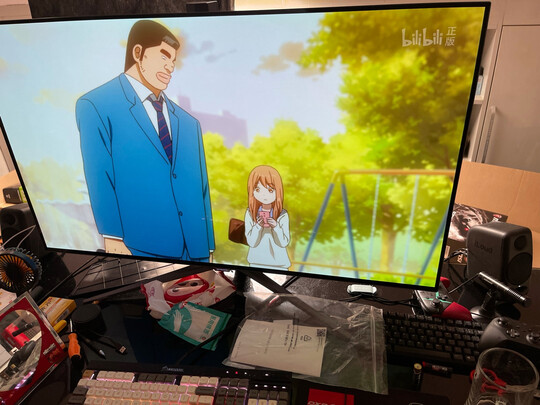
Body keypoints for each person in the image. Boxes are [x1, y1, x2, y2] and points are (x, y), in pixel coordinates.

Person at [76, 20, 214, 261]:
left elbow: (201, 188)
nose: (170, 66)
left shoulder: (189, 123)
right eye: (164, 56)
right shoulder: (96, 105)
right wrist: (113, 238)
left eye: (173, 60)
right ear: (138, 53)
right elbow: (100, 176)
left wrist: (209, 248)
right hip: (138, 249)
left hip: (196, 250)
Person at [244, 165, 291, 270]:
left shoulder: (282, 215)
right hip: (256, 262)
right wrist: (258, 227)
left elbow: (284, 242)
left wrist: (276, 227)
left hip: (279, 264)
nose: (264, 195)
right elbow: (251, 242)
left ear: (278, 191)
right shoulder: (250, 213)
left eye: (270, 190)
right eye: (258, 189)